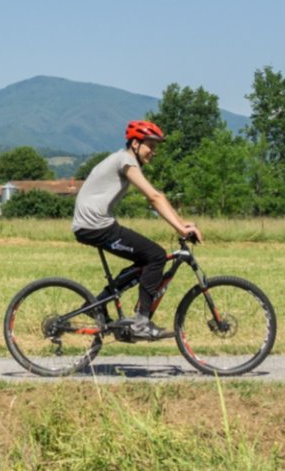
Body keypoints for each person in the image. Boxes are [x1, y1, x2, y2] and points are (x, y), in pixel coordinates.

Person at [70, 120, 203, 340]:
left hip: (94, 225)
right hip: (96, 226)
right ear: (134, 143)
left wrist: (182, 222)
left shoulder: (124, 159)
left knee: (145, 261)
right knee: (156, 256)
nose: (154, 152)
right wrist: (180, 228)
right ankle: (141, 322)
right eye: (150, 145)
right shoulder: (126, 160)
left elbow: (157, 196)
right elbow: (154, 197)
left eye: (156, 147)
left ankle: (97, 304)